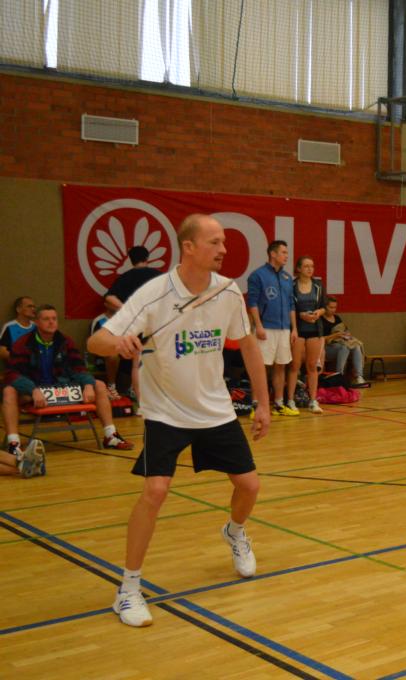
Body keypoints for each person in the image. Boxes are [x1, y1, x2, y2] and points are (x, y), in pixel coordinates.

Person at [87, 213, 271, 628]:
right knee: (155, 491)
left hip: (215, 409)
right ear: (188, 247)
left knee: (250, 486)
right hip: (166, 411)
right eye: (214, 242)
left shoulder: (228, 291)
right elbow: (96, 340)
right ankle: (128, 589)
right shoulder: (154, 294)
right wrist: (119, 342)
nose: (224, 249)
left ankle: (235, 532)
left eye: (224, 242)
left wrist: (263, 403)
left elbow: (247, 347)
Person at [4, 304, 133, 456]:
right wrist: (32, 389)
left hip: (62, 388)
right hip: (35, 391)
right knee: (9, 391)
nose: (51, 322)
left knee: (98, 384)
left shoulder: (65, 341)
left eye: (54, 319)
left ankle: (111, 436)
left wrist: (88, 385)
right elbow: (12, 374)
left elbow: (79, 368)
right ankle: (14, 444)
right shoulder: (22, 344)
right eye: (46, 319)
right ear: (37, 322)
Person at [104, 246, 163, 403]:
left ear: (130, 260)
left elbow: (109, 298)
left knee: (133, 359)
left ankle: (119, 388)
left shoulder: (125, 277)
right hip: (155, 326)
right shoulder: (160, 277)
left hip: (133, 327)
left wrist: (128, 310)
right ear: (147, 258)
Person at [247, 241, 298, 416]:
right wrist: (258, 326)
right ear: (273, 254)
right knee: (260, 367)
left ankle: (278, 403)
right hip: (265, 328)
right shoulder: (257, 275)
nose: (286, 256)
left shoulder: (287, 278)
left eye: (287, 252)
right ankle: (256, 405)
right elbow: (252, 303)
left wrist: (294, 328)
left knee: (280, 366)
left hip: (284, 329)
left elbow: (291, 305)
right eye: (283, 252)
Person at [286, 257, 326, 414]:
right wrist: (300, 315)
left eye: (312, 266)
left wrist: (318, 313)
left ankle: (313, 400)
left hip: (315, 329)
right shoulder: (291, 286)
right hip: (298, 330)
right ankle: (290, 400)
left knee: (312, 366)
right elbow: (289, 307)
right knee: (294, 366)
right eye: (306, 266)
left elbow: (323, 306)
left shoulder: (318, 285)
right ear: (298, 269)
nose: (310, 269)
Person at [320, 297, 368, 385]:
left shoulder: (337, 318)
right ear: (324, 307)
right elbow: (319, 339)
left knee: (356, 346)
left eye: (335, 307)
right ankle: (339, 376)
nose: (333, 310)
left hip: (340, 344)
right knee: (344, 347)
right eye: (331, 307)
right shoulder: (320, 320)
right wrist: (335, 335)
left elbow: (344, 331)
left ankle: (359, 376)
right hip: (326, 348)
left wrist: (347, 335)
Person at [0, 296, 36, 363]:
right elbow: (2, 351)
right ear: (18, 309)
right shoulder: (9, 327)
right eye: (29, 306)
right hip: (16, 366)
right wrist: (19, 358)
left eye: (34, 307)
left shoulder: (36, 327)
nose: (33, 309)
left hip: (35, 367)